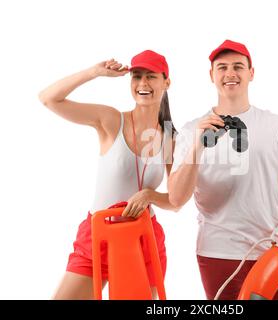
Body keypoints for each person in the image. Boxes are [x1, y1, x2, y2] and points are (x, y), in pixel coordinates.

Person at [168, 40, 278, 300]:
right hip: (217, 253)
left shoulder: (276, 125)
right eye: (222, 67)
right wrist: (196, 147)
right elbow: (176, 198)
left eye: (238, 66)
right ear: (212, 75)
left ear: (251, 73)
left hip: (274, 252)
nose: (230, 74)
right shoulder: (192, 130)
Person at [39, 50, 179, 299]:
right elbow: (49, 99)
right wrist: (94, 72)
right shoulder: (111, 120)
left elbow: (176, 201)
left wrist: (150, 195)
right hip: (98, 237)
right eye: (136, 76)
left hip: (142, 241)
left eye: (151, 77)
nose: (143, 84)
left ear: (166, 82)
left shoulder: (170, 137)